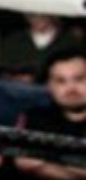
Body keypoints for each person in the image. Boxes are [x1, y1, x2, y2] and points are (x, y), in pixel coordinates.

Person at [13, 47, 86, 178]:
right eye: (60, 81)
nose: (71, 88)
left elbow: (35, 165)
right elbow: (23, 163)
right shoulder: (34, 118)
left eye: (79, 79)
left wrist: (45, 166)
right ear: (49, 86)